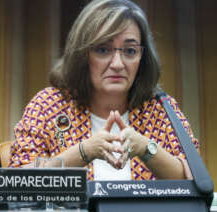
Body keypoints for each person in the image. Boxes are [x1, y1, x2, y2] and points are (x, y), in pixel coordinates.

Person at [10, 0, 199, 181]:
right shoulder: (48, 106)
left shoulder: (161, 108)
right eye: (103, 50)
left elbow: (196, 178)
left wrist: (145, 148)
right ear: (82, 54)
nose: (117, 64)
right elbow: (16, 182)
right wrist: (84, 152)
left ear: (142, 57)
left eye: (130, 51)